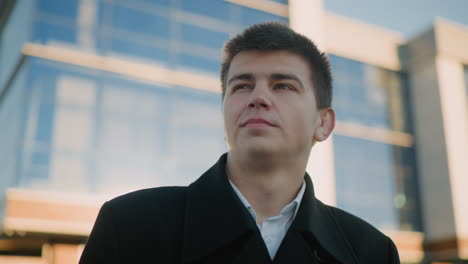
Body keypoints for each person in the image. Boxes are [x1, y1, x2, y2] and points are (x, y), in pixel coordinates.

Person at [79, 22, 400, 264]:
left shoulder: (371, 251)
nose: (258, 98)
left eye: (283, 86)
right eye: (241, 86)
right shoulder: (129, 226)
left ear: (323, 123)